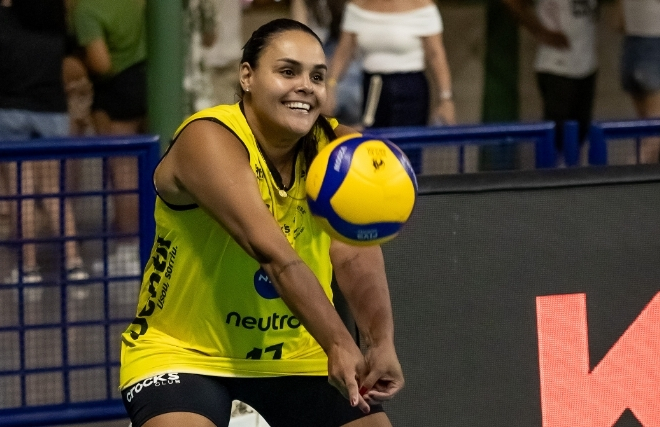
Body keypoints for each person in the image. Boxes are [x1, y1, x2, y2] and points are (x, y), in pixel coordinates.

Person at [119, 19, 404, 427]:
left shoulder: (342, 151)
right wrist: (341, 341)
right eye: (288, 71)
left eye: (317, 76)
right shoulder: (207, 140)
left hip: (299, 354)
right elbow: (275, 256)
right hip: (183, 353)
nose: (306, 85)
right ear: (247, 76)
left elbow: (355, 251)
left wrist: (379, 342)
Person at [0, 0, 89, 287]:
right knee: (53, 192)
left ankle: (29, 268)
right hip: (50, 110)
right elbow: (71, 62)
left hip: (6, 108)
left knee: (19, 193)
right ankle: (74, 264)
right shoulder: (55, 16)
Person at [74, 0, 147, 274]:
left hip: (118, 90)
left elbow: (101, 63)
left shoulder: (88, 9)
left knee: (123, 171)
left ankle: (129, 250)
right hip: (152, 81)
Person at [324, 0, 456, 129]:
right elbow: (343, 52)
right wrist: (330, 86)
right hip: (373, 87)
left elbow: (436, 55)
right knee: (375, 144)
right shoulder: (356, 7)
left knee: (408, 146)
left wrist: (445, 99)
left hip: (411, 87)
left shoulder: (424, 7)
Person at [503, 0, 598, 165]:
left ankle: (575, 176)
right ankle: (553, 179)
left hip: (587, 64)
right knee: (557, 134)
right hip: (556, 66)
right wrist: (540, 31)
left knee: (581, 131)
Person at [618, 0, 660, 163]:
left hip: (632, 45)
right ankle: (625, 180)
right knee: (654, 135)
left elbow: (618, 23)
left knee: (646, 131)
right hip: (654, 45)